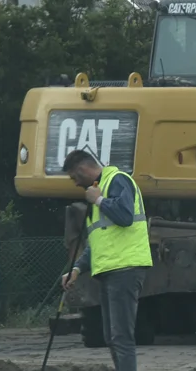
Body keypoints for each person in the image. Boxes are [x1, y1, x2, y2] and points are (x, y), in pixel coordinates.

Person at [60, 150, 152, 371]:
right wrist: (77, 269)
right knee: (111, 337)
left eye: (74, 177)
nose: (75, 183)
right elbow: (98, 243)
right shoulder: (97, 193)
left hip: (125, 268)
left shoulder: (117, 180)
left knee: (121, 337)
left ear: (82, 169)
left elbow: (125, 216)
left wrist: (99, 200)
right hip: (110, 270)